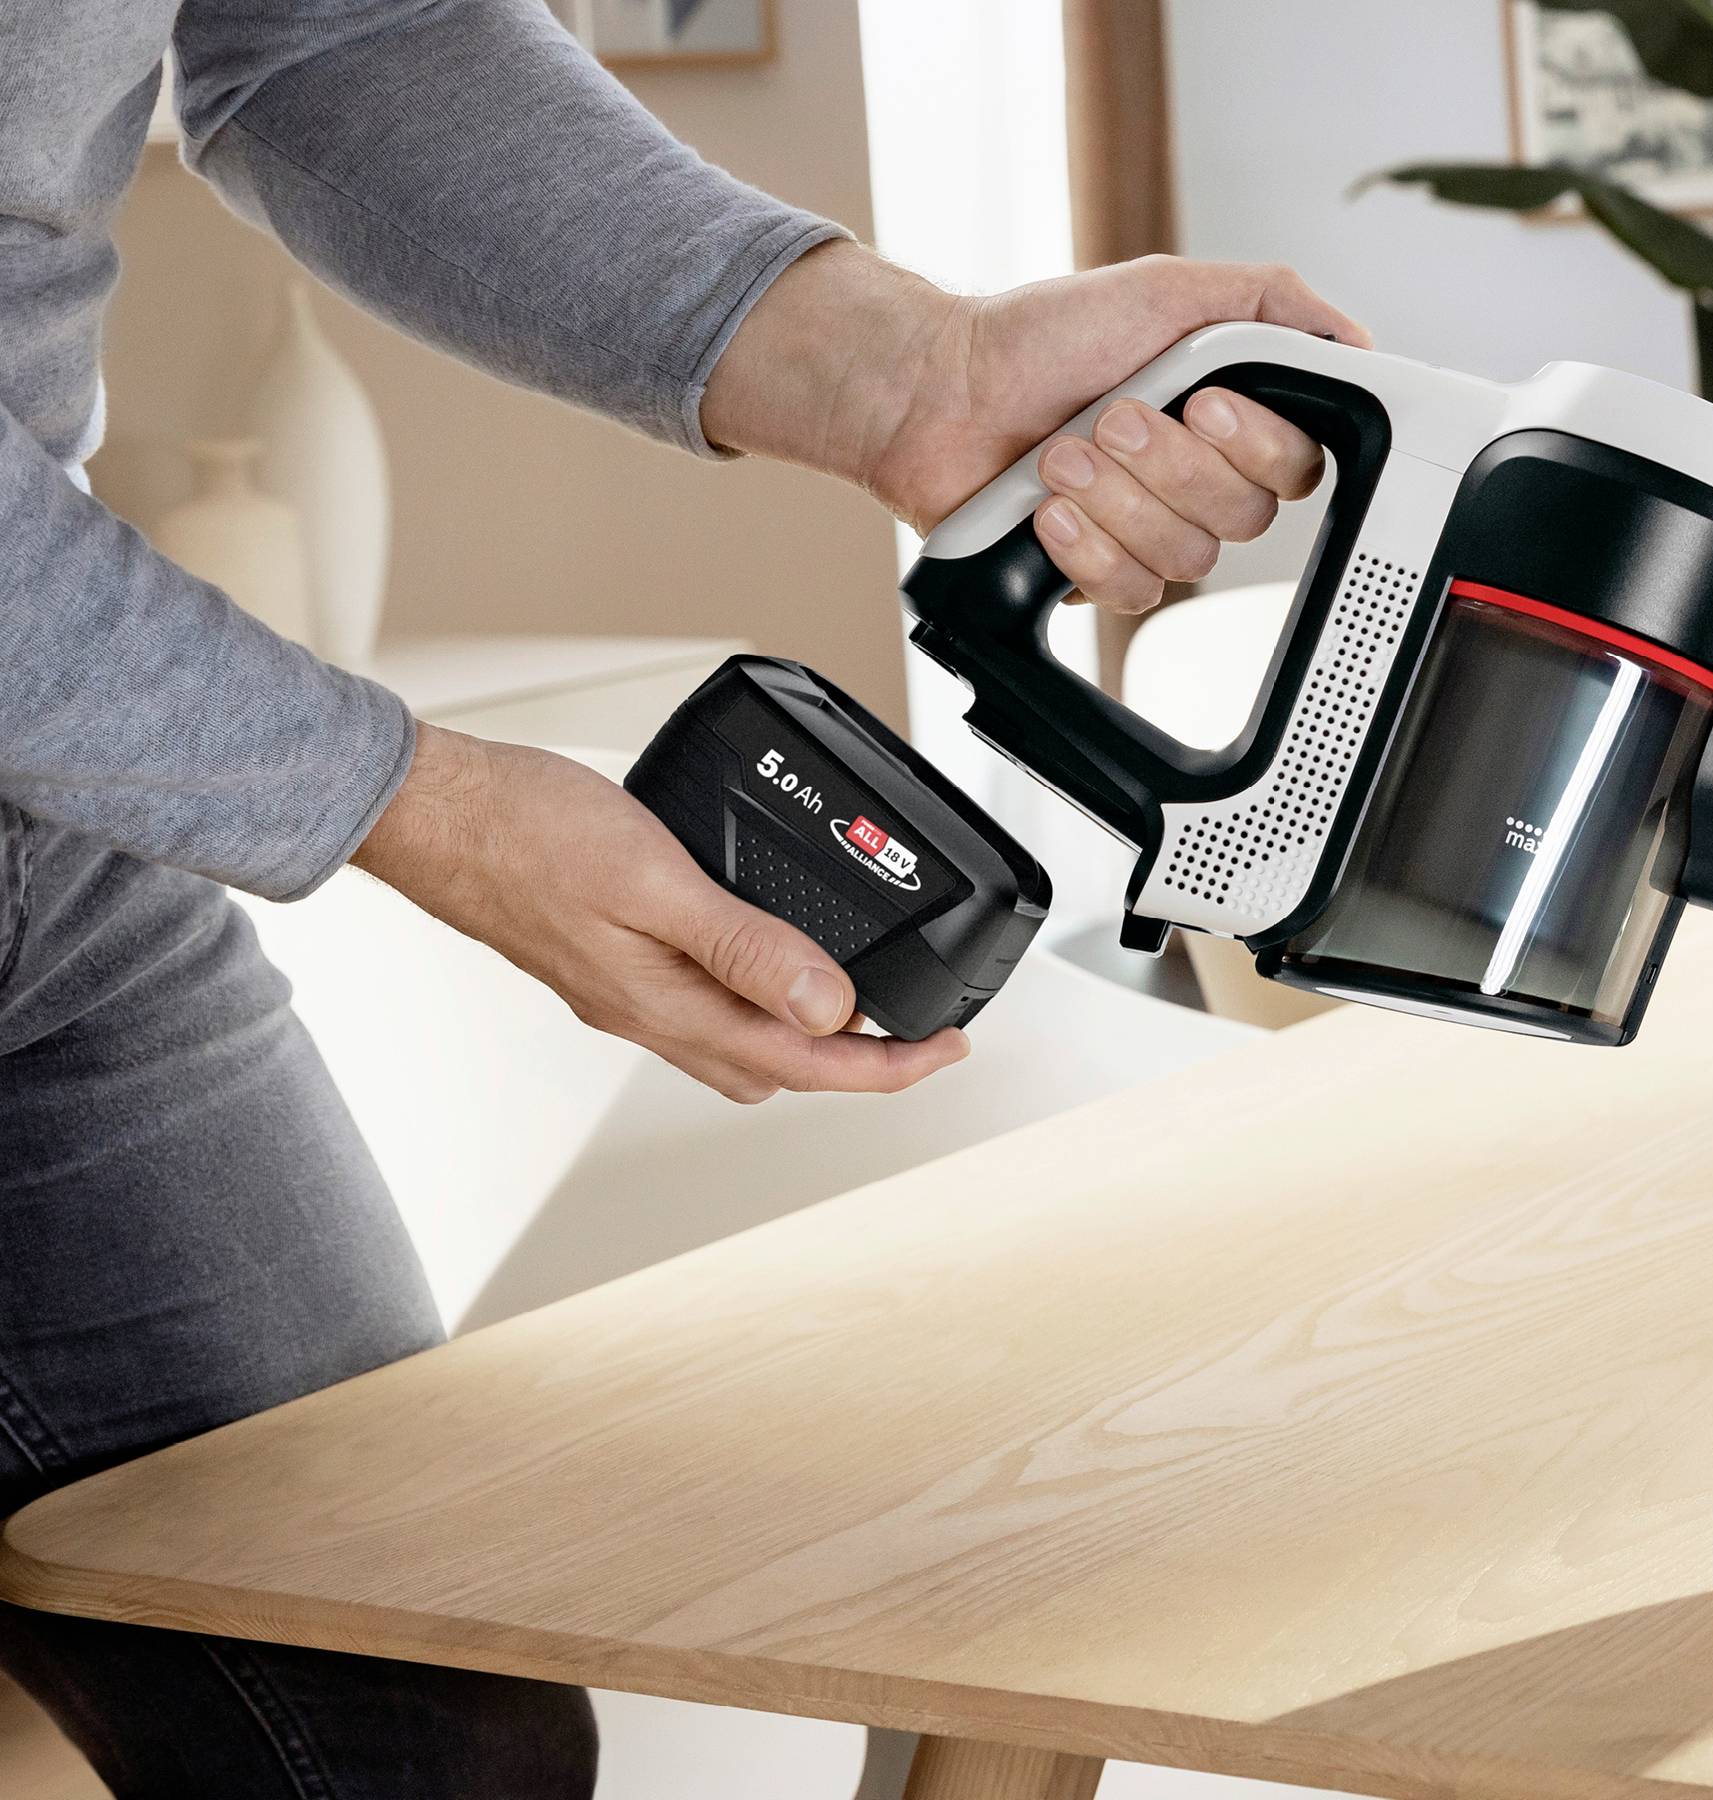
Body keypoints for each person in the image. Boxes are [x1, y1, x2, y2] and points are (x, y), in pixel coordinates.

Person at [0, 2, 1362, 1791]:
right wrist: (425, 805)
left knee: (424, 1732)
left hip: (49, 874)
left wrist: (906, 372)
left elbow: (343, 30)